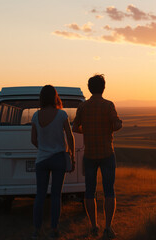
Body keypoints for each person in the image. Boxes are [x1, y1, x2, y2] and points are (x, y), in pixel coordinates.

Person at [73, 74, 122, 239]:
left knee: (89, 191)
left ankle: (93, 226)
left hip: (90, 154)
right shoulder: (108, 105)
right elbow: (116, 124)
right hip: (107, 153)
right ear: (103, 87)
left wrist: (86, 131)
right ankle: (108, 228)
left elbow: (75, 127)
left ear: (89, 88)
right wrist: (113, 128)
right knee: (109, 191)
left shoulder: (83, 107)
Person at [31, 85, 75, 239]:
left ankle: (37, 231)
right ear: (55, 97)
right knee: (56, 195)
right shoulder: (62, 115)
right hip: (58, 158)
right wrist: (71, 155)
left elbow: (33, 140)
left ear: (42, 98)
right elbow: (70, 137)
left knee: (40, 195)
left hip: (41, 160)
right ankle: (54, 230)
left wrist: (43, 148)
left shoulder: (36, 116)